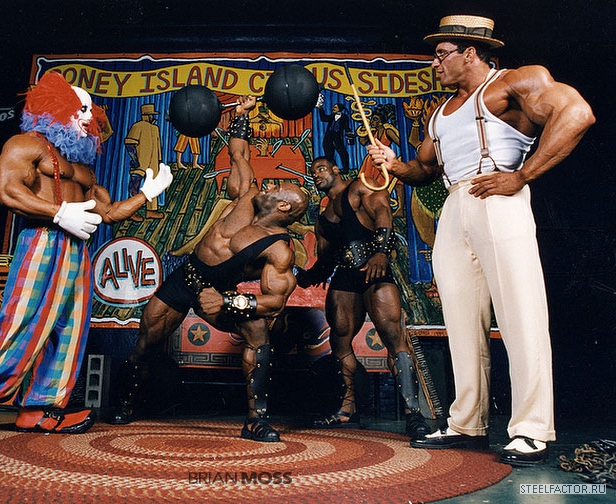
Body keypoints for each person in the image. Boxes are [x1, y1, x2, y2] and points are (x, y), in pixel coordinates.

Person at [367, 14, 595, 466]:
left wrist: (522, 175)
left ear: (469, 52)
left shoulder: (514, 82)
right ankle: (466, 423)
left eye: (441, 54)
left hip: (499, 200)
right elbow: (424, 170)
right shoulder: (440, 113)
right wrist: (394, 164)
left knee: (521, 316)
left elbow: (577, 113)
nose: (434, 63)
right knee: (461, 321)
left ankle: (531, 430)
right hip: (456, 206)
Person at [0, 72, 173, 438]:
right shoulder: (26, 145)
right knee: (22, 319)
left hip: (77, 251)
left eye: (90, 110)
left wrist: (146, 194)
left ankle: (40, 409)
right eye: (80, 109)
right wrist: (58, 213)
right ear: (55, 109)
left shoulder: (83, 168)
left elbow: (108, 213)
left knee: (68, 328)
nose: (88, 117)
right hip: (41, 240)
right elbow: (9, 190)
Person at [107, 95, 309, 442]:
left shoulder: (279, 250)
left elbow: (275, 302)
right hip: (185, 277)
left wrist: (228, 301)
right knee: (146, 341)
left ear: (284, 208)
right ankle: (124, 402)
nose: (270, 184)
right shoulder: (247, 195)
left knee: (258, 334)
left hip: (218, 291)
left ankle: (256, 420)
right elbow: (239, 153)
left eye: (278, 188)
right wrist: (241, 116)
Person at [296, 156, 431, 440]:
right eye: (313, 172)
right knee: (339, 340)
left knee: (393, 336)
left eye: (321, 169)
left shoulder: (360, 187)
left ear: (335, 169)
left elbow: (383, 212)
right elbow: (325, 261)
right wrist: (303, 277)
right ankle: (347, 410)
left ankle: (414, 413)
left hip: (374, 268)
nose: (316, 174)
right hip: (345, 277)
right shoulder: (323, 219)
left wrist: (382, 251)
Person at [125, 103, 165, 220]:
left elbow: (158, 147)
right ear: (146, 115)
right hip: (140, 161)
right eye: (152, 115)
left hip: (153, 163)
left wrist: (159, 161)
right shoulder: (138, 126)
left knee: (153, 185)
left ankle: (151, 210)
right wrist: (134, 159)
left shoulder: (155, 128)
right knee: (134, 186)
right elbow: (130, 143)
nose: (153, 117)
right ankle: (131, 212)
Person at [316, 99, 353, 173]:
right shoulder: (332, 116)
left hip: (337, 137)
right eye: (333, 107)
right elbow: (323, 118)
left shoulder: (344, 117)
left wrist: (349, 132)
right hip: (328, 137)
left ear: (339, 109)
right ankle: (333, 168)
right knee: (328, 154)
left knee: (343, 153)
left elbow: (346, 126)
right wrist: (320, 109)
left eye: (335, 107)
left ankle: (346, 169)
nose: (333, 108)